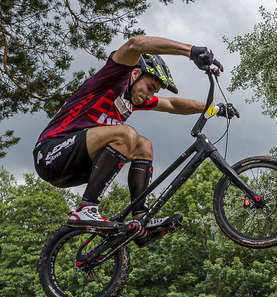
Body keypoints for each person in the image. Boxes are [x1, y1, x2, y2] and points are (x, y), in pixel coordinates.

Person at [33, 36, 239, 236]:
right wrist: (190, 51)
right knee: (127, 134)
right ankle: (86, 208)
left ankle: (141, 218)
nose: (149, 96)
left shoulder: (133, 100)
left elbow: (171, 104)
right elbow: (136, 43)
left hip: (77, 166)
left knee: (143, 145)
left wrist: (214, 109)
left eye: (154, 91)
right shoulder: (114, 77)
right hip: (51, 152)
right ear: (134, 74)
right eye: (149, 87)